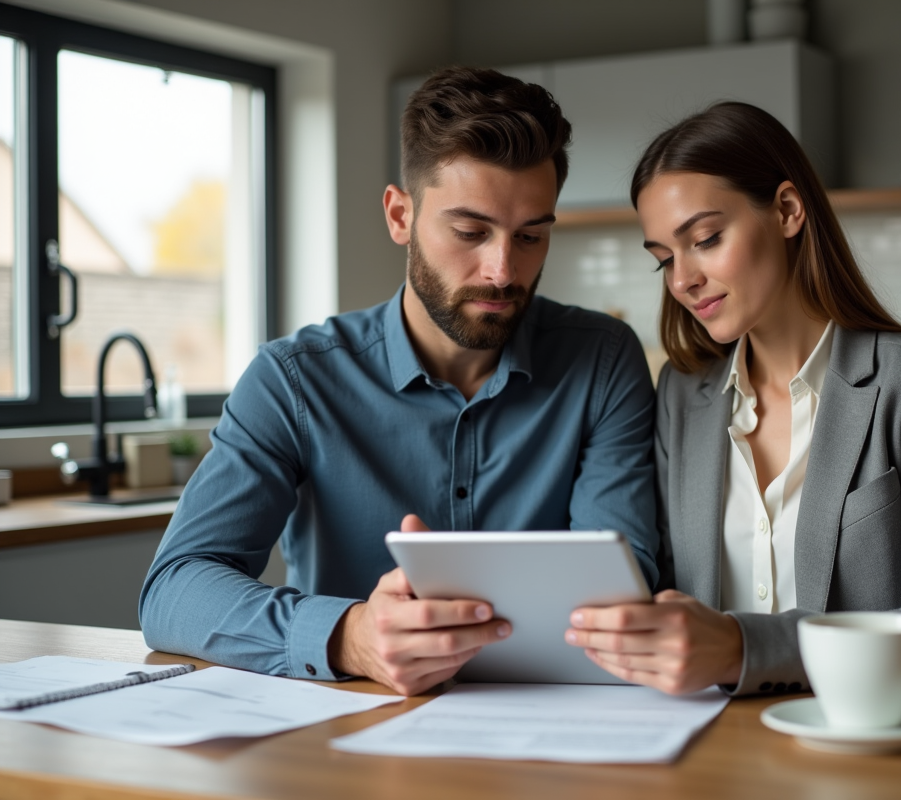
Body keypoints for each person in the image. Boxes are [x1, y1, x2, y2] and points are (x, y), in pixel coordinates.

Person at [140, 66, 658, 697]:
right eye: (469, 232)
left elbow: (623, 582)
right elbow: (174, 589)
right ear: (399, 215)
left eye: (530, 236)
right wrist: (349, 636)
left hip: (561, 724)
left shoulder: (602, 360)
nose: (502, 269)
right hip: (352, 729)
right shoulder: (293, 380)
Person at [565, 102, 901, 696]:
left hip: (868, 755)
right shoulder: (682, 395)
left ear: (786, 210)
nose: (683, 280)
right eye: (664, 261)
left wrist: (746, 649)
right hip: (706, 752)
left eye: (705, 239)